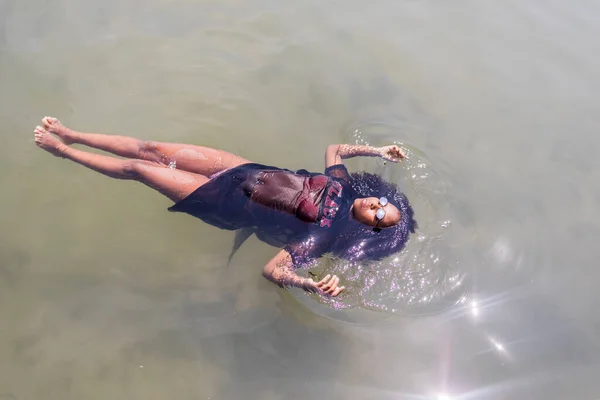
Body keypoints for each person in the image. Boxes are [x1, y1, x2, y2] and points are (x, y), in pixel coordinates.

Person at [33, 117, 416, 297]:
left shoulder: (321, 236)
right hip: (238, 167)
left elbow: (273, 270)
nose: (377, 204)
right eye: (383, 202)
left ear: (371, 228)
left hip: (223, 202)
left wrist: (307, 283)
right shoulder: (345, 187)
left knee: (139, 168)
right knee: (149, 149)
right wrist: (377, 150)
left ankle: (64, 152)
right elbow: (336, 149)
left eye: (380, 214)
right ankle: (73, 133)